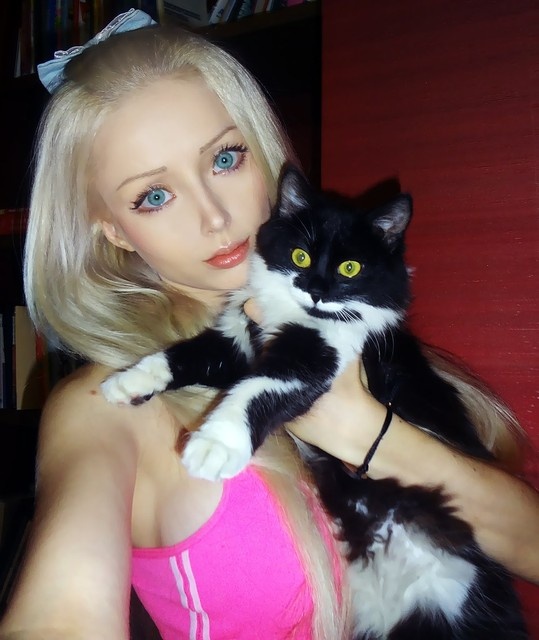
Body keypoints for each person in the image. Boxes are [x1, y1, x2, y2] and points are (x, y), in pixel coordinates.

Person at [0, 10, 538, 640]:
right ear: (113, 230)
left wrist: (360, 425)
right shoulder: (108, 404)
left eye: (226, 159)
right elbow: (61, 615)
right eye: (154, 196)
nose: (214, 216)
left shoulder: (360, 330)